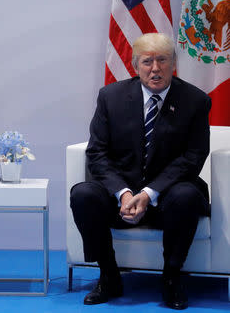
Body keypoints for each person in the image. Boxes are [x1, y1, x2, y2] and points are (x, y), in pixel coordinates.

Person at [70, 33, 211, 310]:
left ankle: (171, 277)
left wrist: (148, 193)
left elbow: (194, 157)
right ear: (136, 66)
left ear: (174, 64)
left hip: (168, 196)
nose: (155, 68)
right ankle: (109, 275)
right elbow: (97, 153)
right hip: (121, 197)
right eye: (147, 61)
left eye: (162, 60)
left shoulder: (195, 100)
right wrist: (123, 194)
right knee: (83, 194)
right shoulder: (110, 97)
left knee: (186, 196)